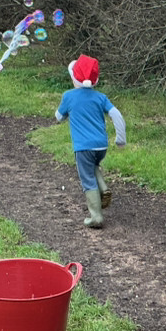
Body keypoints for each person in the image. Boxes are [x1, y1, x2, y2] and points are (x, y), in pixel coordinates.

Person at [54, 54, 126, 228]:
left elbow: (58, 117)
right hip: (101, 146)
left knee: (86, 177)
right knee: (92, 166)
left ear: (74, 78)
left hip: (83, 147)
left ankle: (96, 217)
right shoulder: (100, 97)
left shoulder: (69, 96)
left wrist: (66, 113)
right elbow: (116, 114)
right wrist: (120, 139)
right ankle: (103, 188)